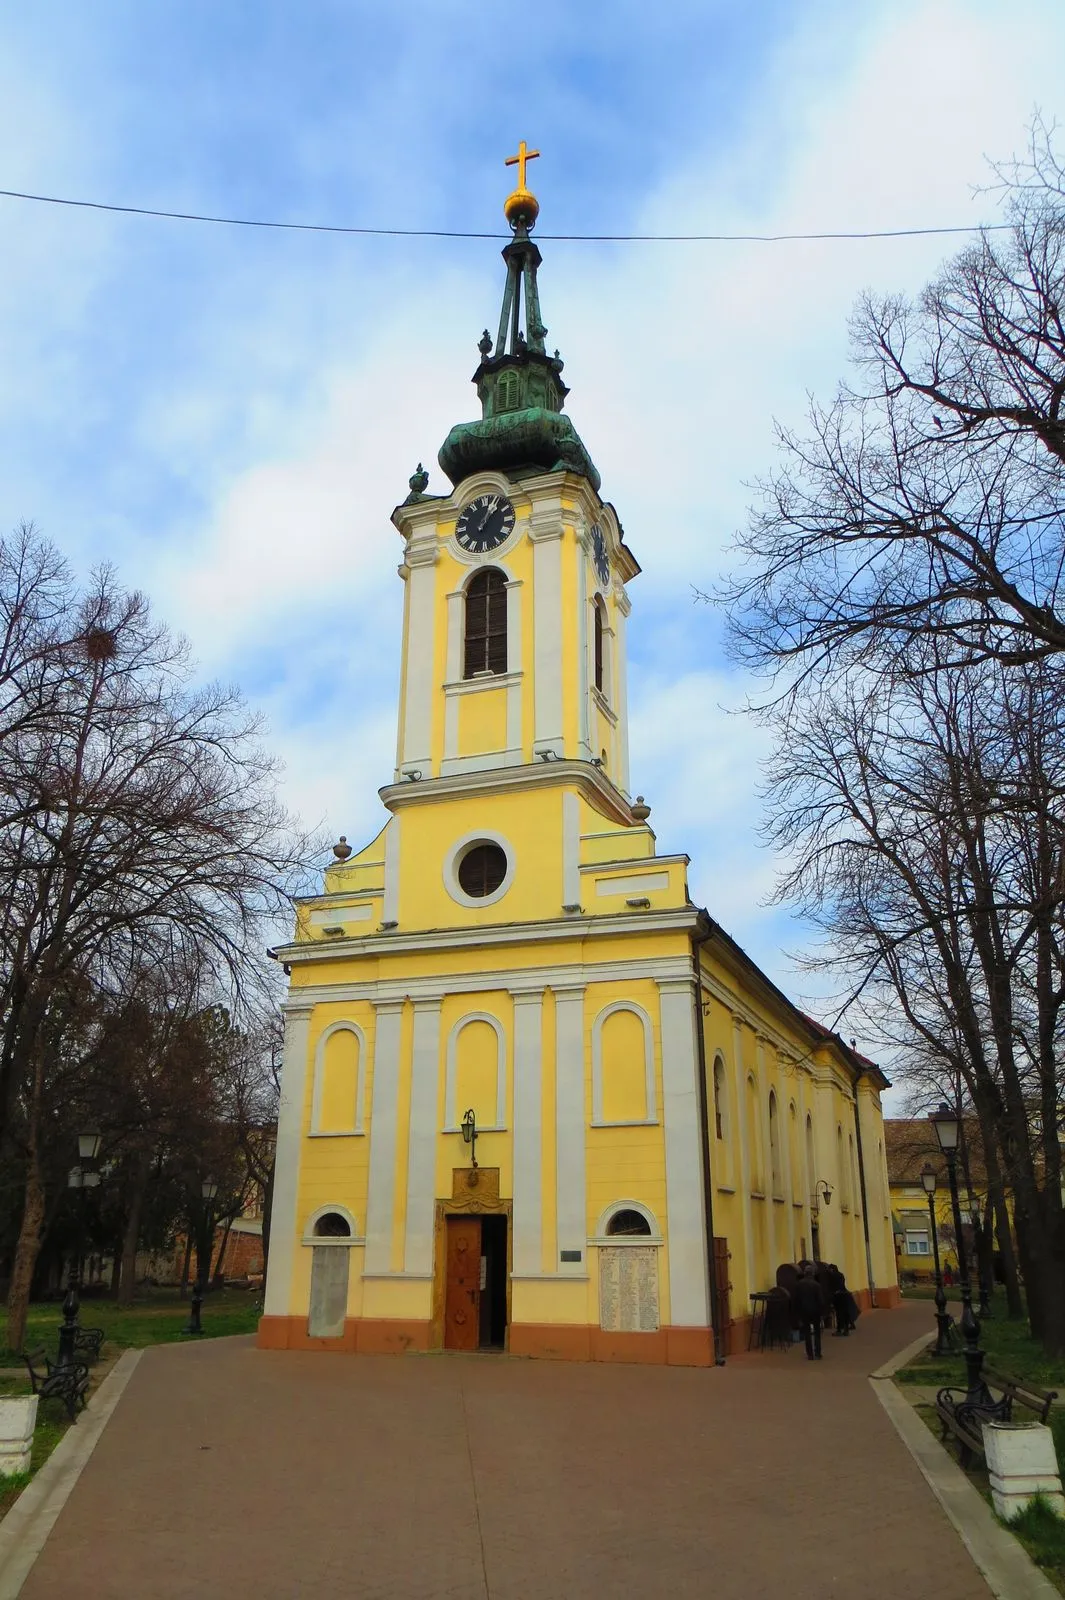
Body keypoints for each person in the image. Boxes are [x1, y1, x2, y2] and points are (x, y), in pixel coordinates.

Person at [794, 1265, 825, 1360]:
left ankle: (810, 1354)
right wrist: (822, 1313)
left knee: (807, 1333)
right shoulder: (817, 1285)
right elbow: (820, 1300)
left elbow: (796, 1300)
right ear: (813, 1274)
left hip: (804, 1311)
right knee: (817, 1332)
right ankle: (818, 1353)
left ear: (804, 1273)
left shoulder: (799, 1284)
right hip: (815, 1312)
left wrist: (797, 1313)